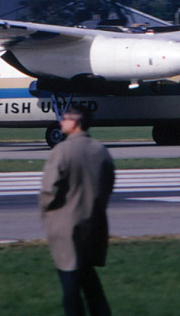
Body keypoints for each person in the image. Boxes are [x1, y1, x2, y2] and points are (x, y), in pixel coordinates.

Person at [39, 105, 115, 316]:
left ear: (75, 122)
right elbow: (108, 185)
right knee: (91, 285)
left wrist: (46, 210)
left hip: (65, 226)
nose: (61, 121)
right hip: (94, 223)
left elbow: (49, 189)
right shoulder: (100, 150)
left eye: (65, 118)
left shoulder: (62, 151)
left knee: (70, 285)